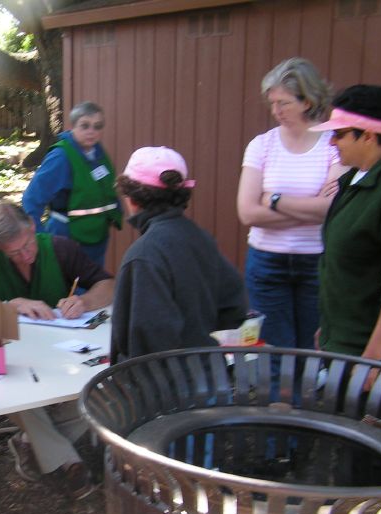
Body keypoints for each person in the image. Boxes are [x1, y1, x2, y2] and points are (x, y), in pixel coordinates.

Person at [0, 201, 114, 499]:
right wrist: (9, 306)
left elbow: (107, 285)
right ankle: (68, 461)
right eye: (14, 253)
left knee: (96, 390)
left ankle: (30, 443)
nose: (25, 255)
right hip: (14, 361)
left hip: (61, 355)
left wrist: (84, 302)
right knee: (19, 395)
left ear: (33, 227)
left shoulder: (59, 249)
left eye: (27, 245)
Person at [236, 57, 347, 351]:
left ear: (307, 101)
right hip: (266, 261)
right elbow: (247, 212)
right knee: (273, 350)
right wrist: (311, 210)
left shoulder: (333, 144)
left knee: (313, 349)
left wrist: (273, 199)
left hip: (317, 261)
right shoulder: (262, 145)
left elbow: (332, 208)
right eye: (272, 103)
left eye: (283, 103)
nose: (276, 111)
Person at [111, 147, 247, 364]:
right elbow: (235, 307)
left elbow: (147, 339)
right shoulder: (201, 238)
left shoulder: (144, 255)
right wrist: (197, 335)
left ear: (132, 199)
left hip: (162, 381)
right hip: (208, 371)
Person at [310, 85, 381, 377]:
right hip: (345, 344)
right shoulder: (355, 179)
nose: (332, 142)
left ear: (368, 135)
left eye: (339, 134)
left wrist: (374, 358)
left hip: (379, 360)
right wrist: (330, 328)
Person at [22, 102, 122, 266]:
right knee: (67, 281)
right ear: (73, 126)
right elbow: (31, 199)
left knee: (95, 279)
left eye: (97, 126)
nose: (91, 131)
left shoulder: (98, 153)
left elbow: (106, 188)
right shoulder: (61, 157)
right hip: (67, 236)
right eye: (85, 126)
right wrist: (39, 239)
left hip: (97, 237)